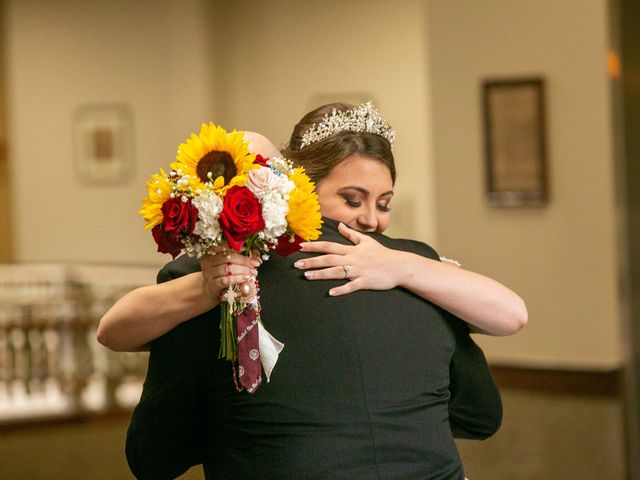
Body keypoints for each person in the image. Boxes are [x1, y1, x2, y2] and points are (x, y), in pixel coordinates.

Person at [106, 102, 525, 479]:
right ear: (298, 187)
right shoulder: (221, 278)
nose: (372, 221)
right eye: (352, 199)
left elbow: (153, 456)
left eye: (384, 204)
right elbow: (481, 416)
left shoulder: (415, 270)